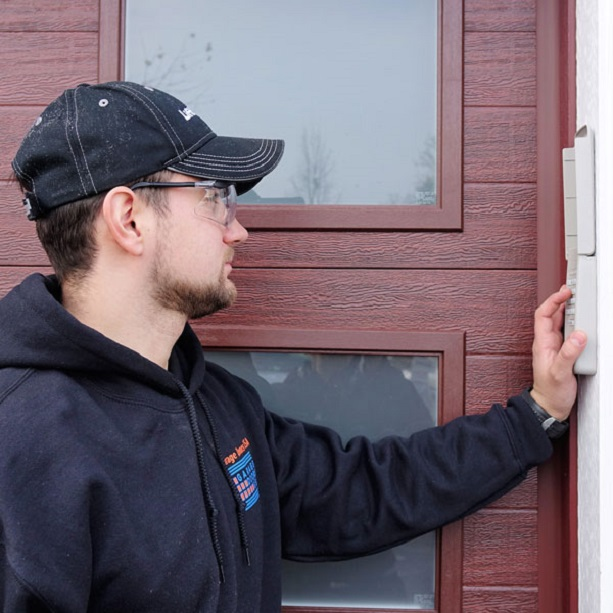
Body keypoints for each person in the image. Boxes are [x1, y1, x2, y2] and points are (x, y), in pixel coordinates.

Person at [0, 81, 586, 613]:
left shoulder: (218, 407)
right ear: (129, 219)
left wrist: (536, 413)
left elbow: (361, 491)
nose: (238, 229)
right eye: (215, 197)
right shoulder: (24, 442)